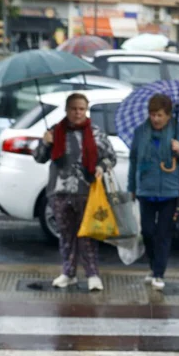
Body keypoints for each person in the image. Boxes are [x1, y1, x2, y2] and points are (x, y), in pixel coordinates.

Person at [33, 92, 116, 292]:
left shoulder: (95, 133)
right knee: (66, 234)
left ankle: (93, 275)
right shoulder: (55, 131)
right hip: (59, 191)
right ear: (67, 110)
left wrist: (101, 167)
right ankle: (68, 273)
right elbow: (39, 157)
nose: (77, 113)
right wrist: (45, 142)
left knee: (87, 235)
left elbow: (111, 157)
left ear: (86, 110)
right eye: (73, 109)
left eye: (81, 109)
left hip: (87, 191)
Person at [127, 92, 179, 291]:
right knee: (148, 232)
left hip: (170, 191)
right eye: (152, 114)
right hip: (146, 189)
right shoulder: (141, 132)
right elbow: (133, 161)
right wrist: (131, 187)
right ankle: (153, 266)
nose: (155, 119)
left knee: (163, 234)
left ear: (168, 115)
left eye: (159, 115)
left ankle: (158, 273)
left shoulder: (178, 131)